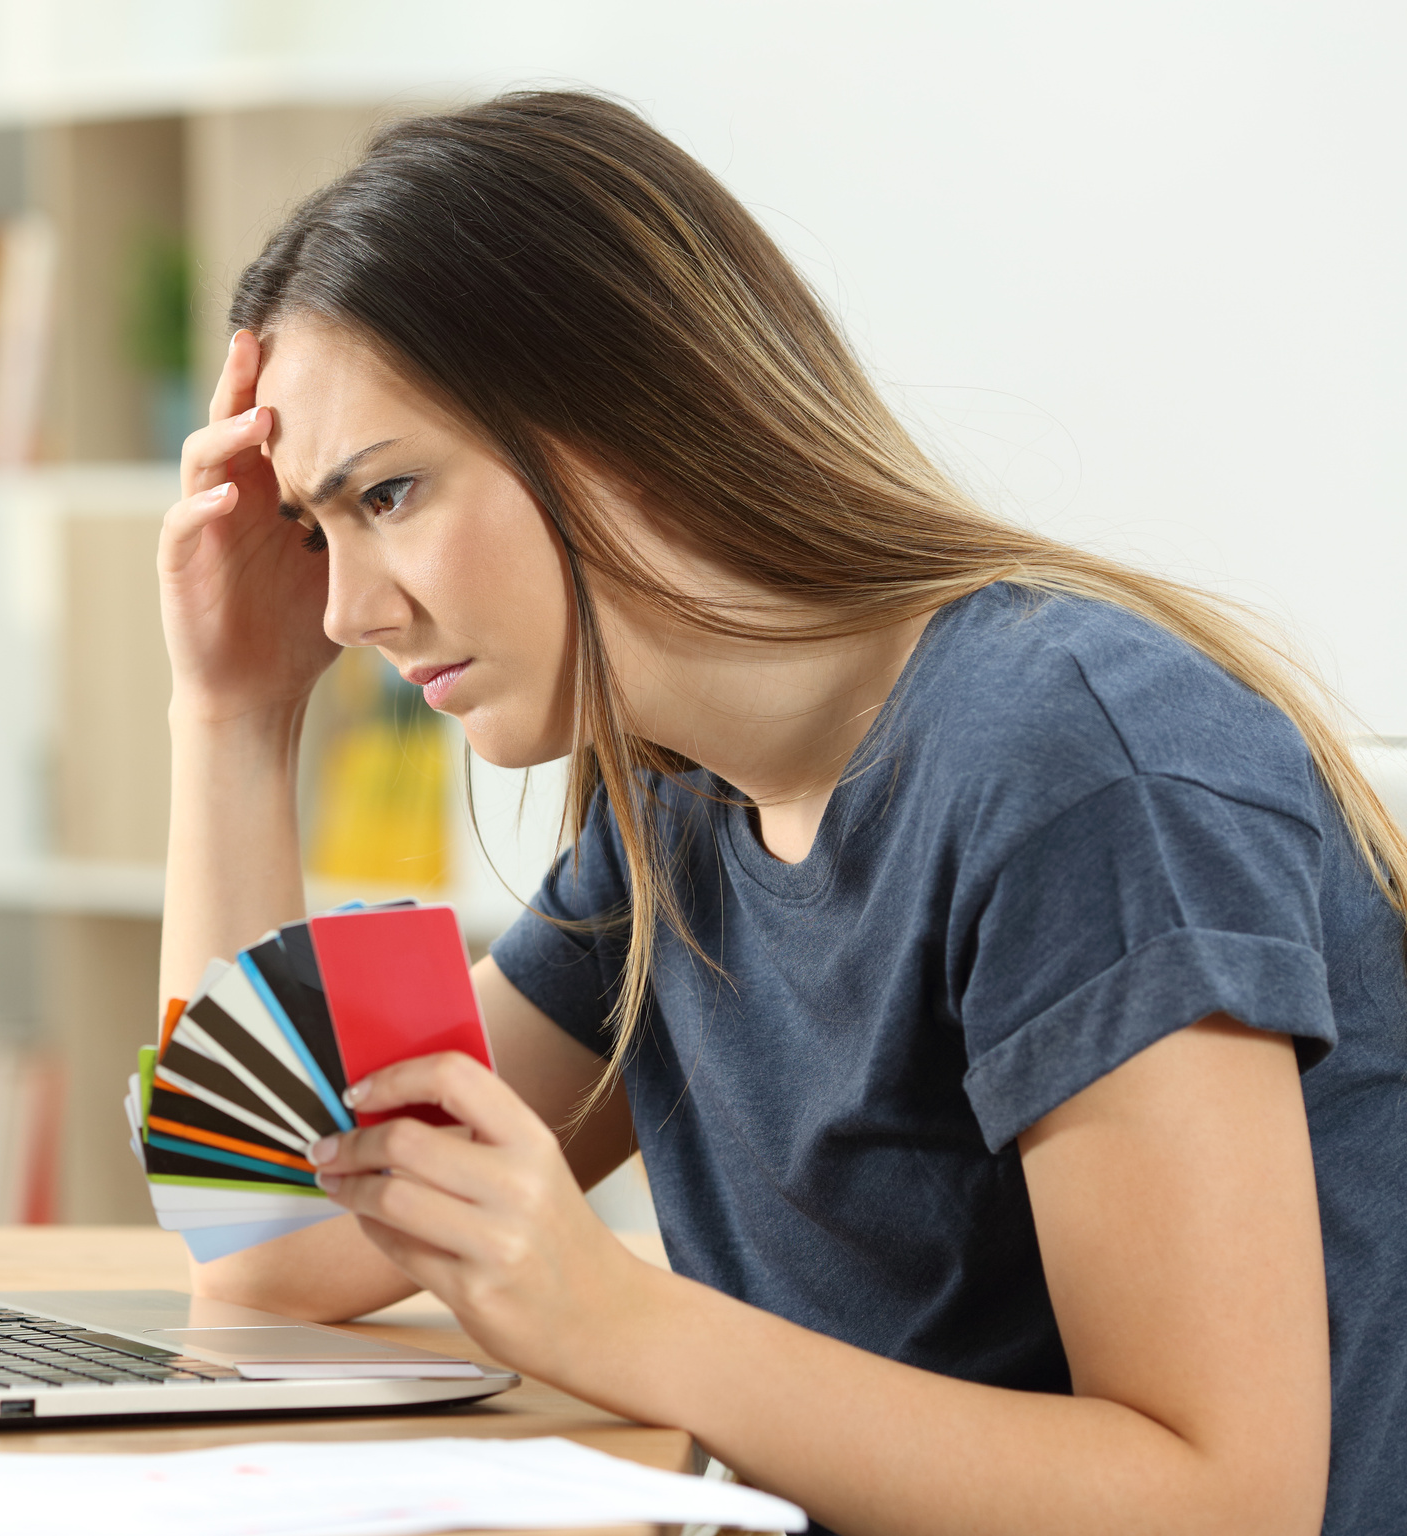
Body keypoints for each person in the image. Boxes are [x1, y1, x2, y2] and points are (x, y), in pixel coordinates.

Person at [153, 91, 1403, 1536]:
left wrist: (613, 1319)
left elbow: (1228, 1504)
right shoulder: (679, 807)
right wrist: (235, 718)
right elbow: (274, 1244)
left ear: (623, 410)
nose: (349, 609)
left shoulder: (1077, 764)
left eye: (389, 495)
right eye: (316, 531)